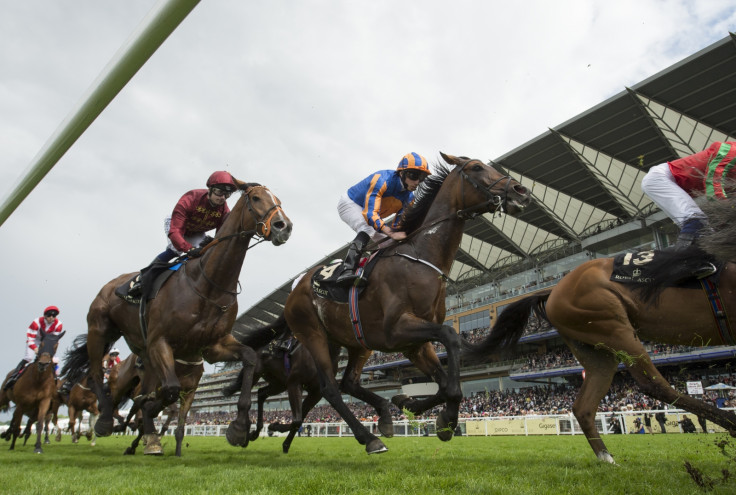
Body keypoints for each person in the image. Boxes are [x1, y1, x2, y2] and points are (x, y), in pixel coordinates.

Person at [129, 171, 237, 297]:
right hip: (177, 226)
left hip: (197, 231)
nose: (223, 197)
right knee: (174, 250)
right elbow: (175, 232)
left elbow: (220, 237)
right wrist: (188, 248)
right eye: (219, 192)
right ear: (210, 189)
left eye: (227, 194)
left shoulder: (224, 210)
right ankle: (142, 280)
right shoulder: (191, 198)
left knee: (204, 254)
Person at [333, 152, 431, 286]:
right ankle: (347, 269)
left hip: (371, 215)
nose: (417, 182)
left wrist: (398, 233)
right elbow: (370, 214)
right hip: (350, 203)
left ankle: (375, 274)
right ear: (401, 173)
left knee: (389, 243)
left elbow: (397, 227)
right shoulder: (381, 180)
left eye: (422, 178)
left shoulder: (409, 198)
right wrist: (389, 232)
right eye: (414, 176)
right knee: (367, 228)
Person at [4, 306, 63, 390]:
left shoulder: (59, 324)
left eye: (54, 316)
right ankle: (13, 377)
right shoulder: (36, 322)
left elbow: (55, 340)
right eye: (49, 315)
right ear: (45, 316)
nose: (51, 318)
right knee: (29, 357)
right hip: (35, 339)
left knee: (55, 360)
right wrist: (35, 349)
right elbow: (30, 338)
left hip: (47, 342)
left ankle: (56, 379)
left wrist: (52, 352)